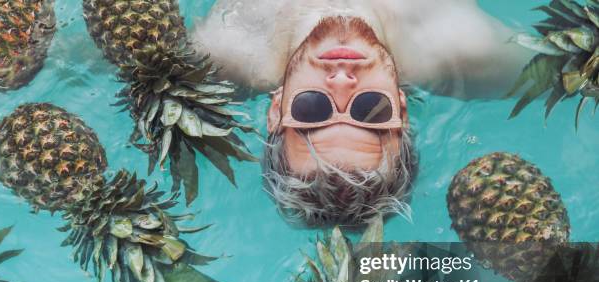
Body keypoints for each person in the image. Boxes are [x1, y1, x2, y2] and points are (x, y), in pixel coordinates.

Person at [192, 0, 532, 226]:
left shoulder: (221, 51)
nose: (340, 80)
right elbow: (574, 67)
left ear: (276, 109)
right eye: (372, 109)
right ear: (401, 107)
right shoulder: (470, 52)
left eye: (311, 107)